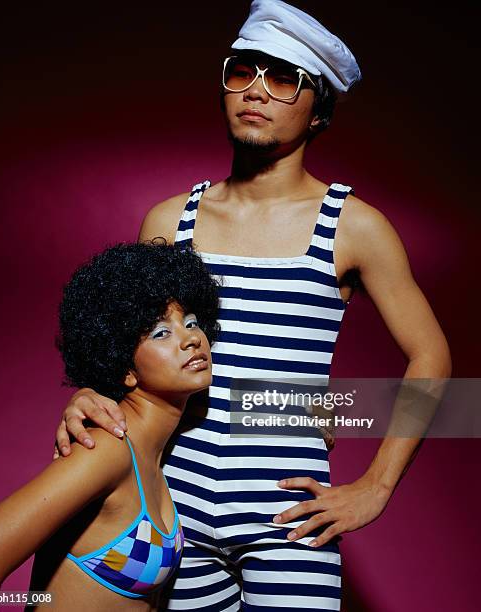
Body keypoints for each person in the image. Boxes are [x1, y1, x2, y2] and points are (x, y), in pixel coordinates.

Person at [54, 1, 452, 610]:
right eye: (243, 71)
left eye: (284, 79)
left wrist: (375, 485)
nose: (256, 92)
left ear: (318, 110)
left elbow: (431, 355)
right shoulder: (169, 220)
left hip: (288, 516)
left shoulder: (353, 227)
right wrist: (92, 393)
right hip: (172, 502)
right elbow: (136, 348)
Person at [0, 242, 221, 610]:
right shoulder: (106, 449)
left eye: (191, 323)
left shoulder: (155, 451)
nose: (191, 339)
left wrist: (320, 410)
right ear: (125, 369)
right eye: (161, 333)